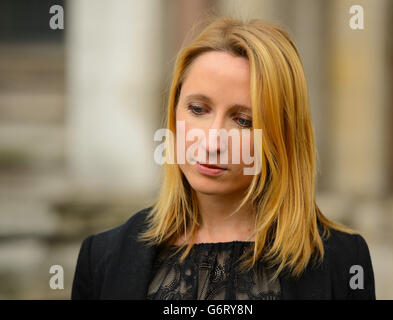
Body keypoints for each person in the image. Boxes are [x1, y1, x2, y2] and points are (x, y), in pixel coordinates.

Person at [71, 16, 375, 300]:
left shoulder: (344, 262)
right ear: (174, 111)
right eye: (198, 110)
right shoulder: (102, 257)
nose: (212, 140)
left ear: (281, 136)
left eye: (243, 120)